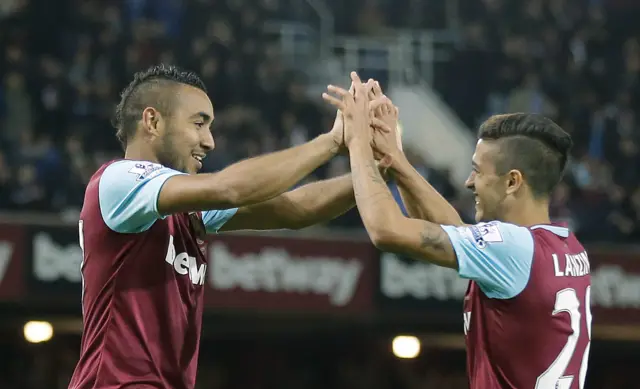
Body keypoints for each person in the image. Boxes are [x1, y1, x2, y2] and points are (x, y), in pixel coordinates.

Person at [68, 64, 386, 389]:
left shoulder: (186, 207)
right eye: (198, 124)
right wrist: (332, 142)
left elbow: (296, 209)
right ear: (152, 121)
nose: (209, 142)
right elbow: (229, 188)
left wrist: (379, 170)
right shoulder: (118, 180)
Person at [323, 72, 592, 389]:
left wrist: (357, 145)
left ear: (512, 182)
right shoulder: (566, 246)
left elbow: (386, 230)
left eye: (477, 171)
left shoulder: (512, 248)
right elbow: (453, 229)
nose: (468, 182)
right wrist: (395, 160)